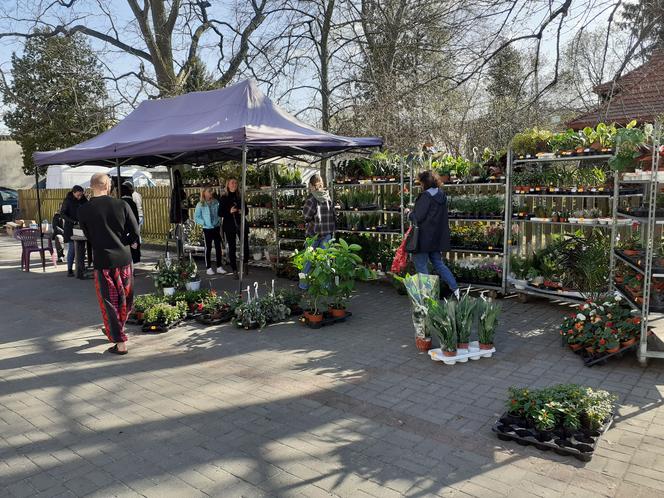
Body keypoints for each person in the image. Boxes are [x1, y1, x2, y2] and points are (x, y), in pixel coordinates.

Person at [78, 173, 139, 356]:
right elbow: (135, 231)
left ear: (91, 186)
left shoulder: (84, 210)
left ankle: (119, 340)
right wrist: (123, 242)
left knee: (109, 302)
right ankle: (117, 331)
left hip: (103, 260)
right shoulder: (122, 204)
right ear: (108, 185)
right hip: (124, 259)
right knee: (125, 299)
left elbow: (88, 236)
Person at [409, 170, 459, 298]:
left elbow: (418, 217)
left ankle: (428, 296)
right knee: (438, 263)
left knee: (421, 265)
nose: (420, 185)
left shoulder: (425, 196)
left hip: (423, 238)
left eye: (420, 183)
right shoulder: (441, 195)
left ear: (424, 183)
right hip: (436, 238)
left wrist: (408, 213)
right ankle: (455, 289)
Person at [300, 174, 335, 288]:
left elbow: (306, 216)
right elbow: (333, 214)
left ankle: (303, 285)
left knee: (307, 262)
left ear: (311, 185)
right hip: (327, 233)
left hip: (313, 234)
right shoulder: (327, 197)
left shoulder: (311, 199)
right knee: (325, 261)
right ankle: (326, 286)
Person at [219, 178, 249, 279]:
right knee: (232, 247)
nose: (234, 184)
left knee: (244, 245)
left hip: (241, 223)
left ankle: (245, 264)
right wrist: (229, 211)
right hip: (229, 225)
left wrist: (242, 211)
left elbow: (247, 211)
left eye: (236, 183)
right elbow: (220, 213)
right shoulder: (224, 197)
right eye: (232, 183)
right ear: (228, 185)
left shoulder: (240, 196)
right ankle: (235, 270)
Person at [195, 187, 227, 275]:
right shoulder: (200, 204)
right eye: (209, 191)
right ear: (204, 193)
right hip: (207, 229)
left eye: (211, 191)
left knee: (218, 247)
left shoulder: (216, 202)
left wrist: (219, 221)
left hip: (216, 227)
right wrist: (204, 222)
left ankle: (219, 267)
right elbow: (196, 217)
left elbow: (220, 213)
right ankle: (208, 268)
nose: (211, 193)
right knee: (208, 248)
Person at [60, 185, 88, 277]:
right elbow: (63, 214)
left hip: (82, 227)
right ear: (73, 193)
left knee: (82, 248)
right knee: (72, 248)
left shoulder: (84, 199)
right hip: (71, 227)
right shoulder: (68, 201)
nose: (80, 197)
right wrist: (73, 221)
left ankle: (81, 267)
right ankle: (69, 269)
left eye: (81, 195)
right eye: (78, 195)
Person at [121, 183, 141, 264]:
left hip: (124, 228)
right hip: (133, 227)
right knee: (133, 245)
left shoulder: (121, 202)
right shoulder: (132, 202)